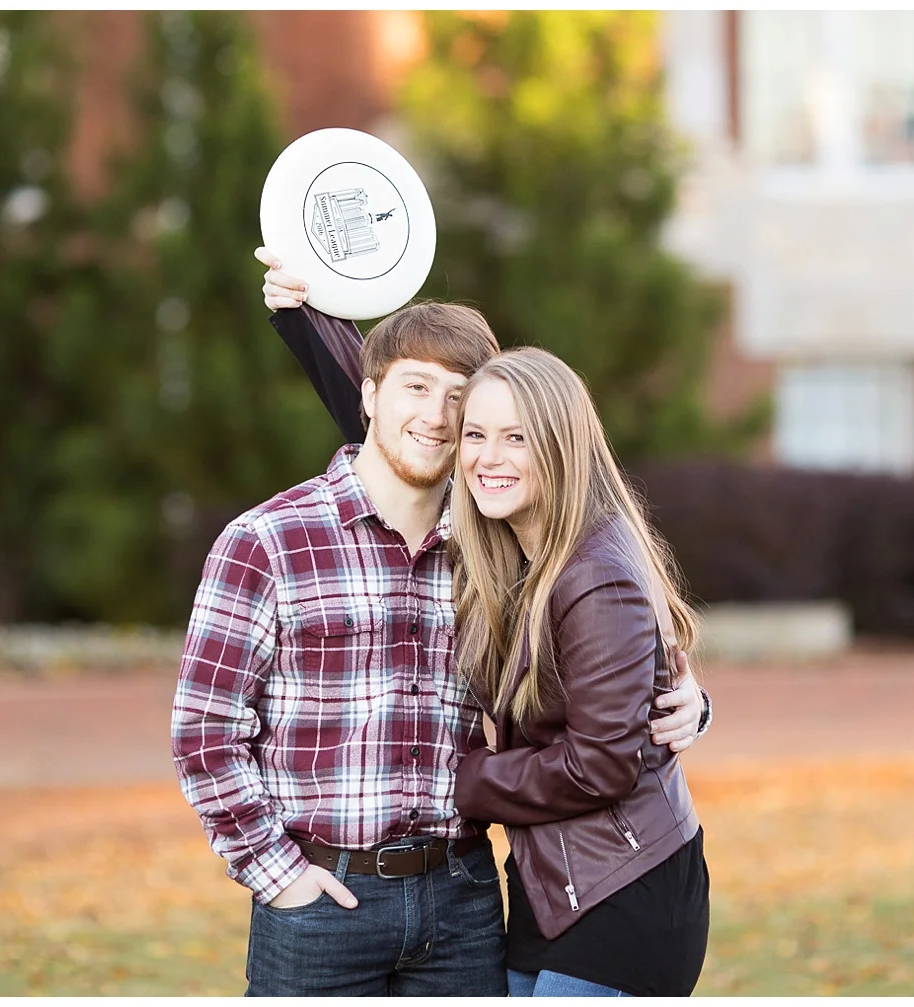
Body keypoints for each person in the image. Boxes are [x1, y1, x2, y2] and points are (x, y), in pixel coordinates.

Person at [171, 262, 709, 997]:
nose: (437, 415)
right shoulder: (269, 541)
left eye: (459, 399)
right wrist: (278, 874)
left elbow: (616, 641)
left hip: (463, 901)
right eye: (416, 388)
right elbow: (204, 733)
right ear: (369, 396)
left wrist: (688, 702)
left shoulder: (494, 539)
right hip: (321, 902)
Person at [451, 349, 710, 998]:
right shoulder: (519, 551)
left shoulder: (594, 575)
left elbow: (600, 765)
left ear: (561, 445)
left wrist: (461, 781)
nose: (488, 457)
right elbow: (391, 415)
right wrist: (303, 312)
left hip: (622, 891)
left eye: (516, 438)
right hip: (550, 884)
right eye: (475, 434)